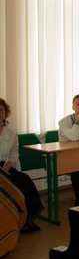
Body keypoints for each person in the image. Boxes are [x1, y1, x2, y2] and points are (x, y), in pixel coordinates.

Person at [0, 98, 45, 233]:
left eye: (1, 110)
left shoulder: (11, 131)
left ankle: (26, 219)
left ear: (5, 112)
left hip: (5, 167)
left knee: (24, 180)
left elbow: (14, 155)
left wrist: (4, 171)